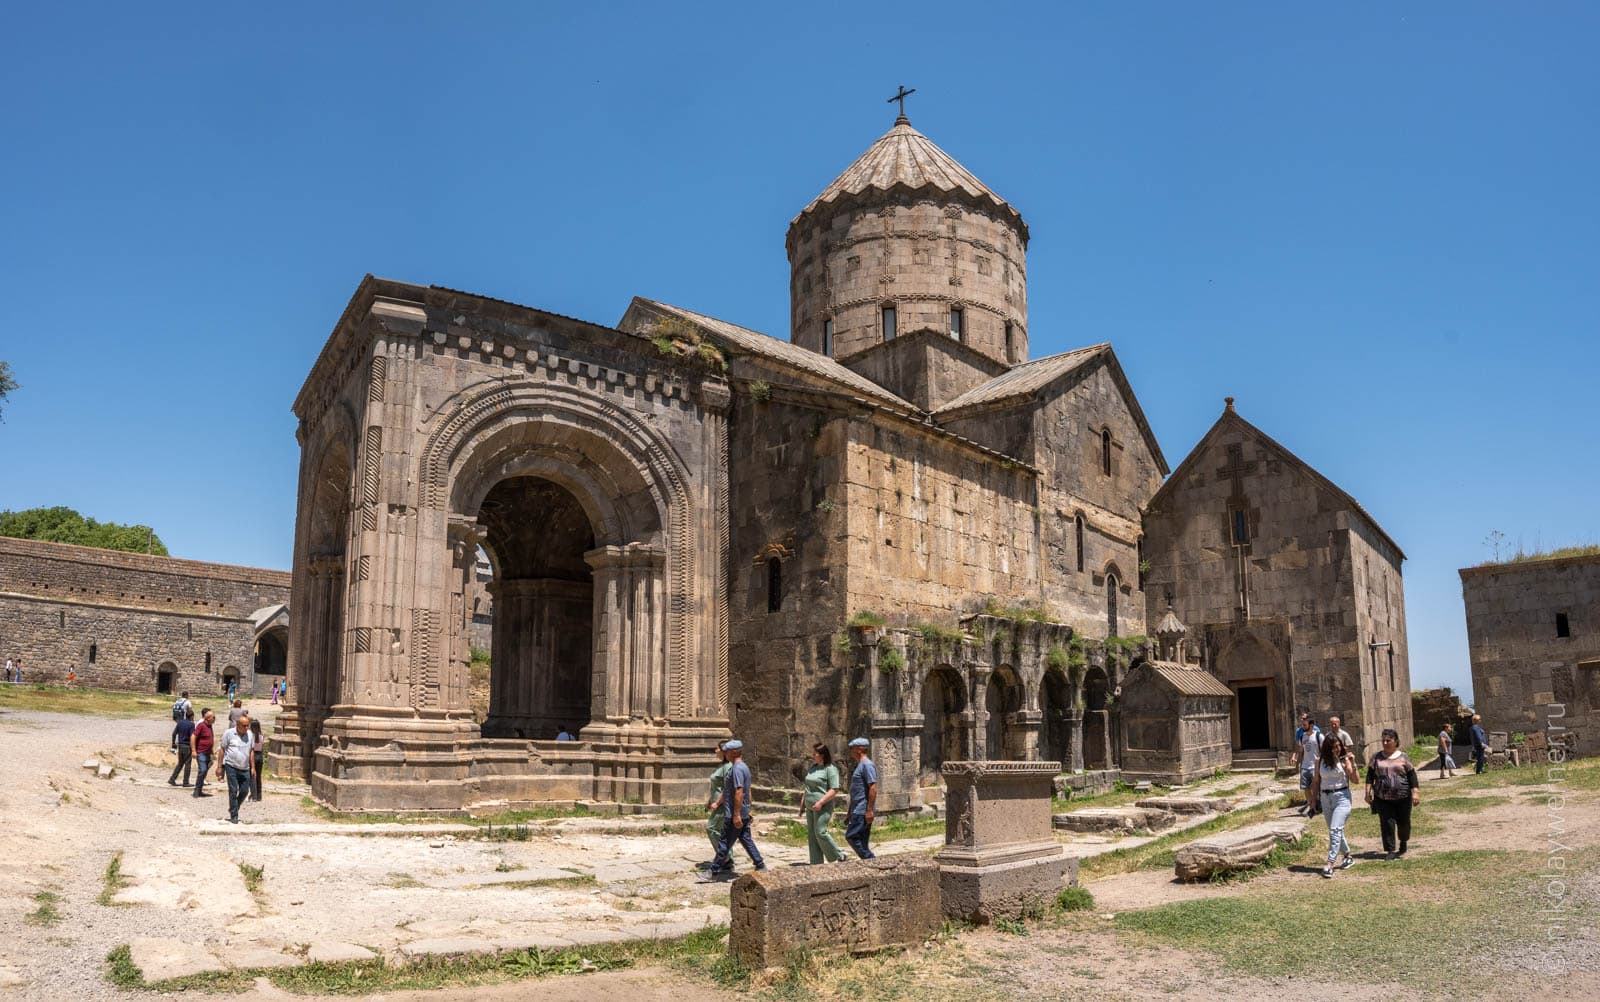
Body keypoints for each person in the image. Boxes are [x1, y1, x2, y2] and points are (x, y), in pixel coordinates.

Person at [703, 739, 765, 878]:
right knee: (745, 839)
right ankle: (760, 865)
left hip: (734, 813)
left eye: (726, 751)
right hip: (742, 811)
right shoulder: (744, 767)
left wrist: (736, 814)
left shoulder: (736, 769)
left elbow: (739, 791)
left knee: (724, 842)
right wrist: (747, 810)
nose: (725, 753)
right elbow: (744, 791)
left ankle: (713, 871)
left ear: (732, 752)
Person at [1309, 732, 1359, 877]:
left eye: (1338, 746)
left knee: (1335, 830)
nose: (1337, 749)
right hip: (1325, 797)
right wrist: (1313, 800)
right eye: (1333, 747)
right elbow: (1316, 781)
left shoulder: (1343, 760)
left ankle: (1330, 863)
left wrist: (1352, 764)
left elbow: (1355, 780)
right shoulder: (1320, 760)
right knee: (1335, 830)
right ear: (1327, 748)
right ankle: (1348, 856)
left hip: (1342, 797)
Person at [1365, 728, 1420, 858]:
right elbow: (1370, 776)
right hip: (1382, 797)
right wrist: (1367, 792)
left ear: (1395, 741)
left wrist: (1415, 793)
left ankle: (1403, 842)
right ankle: (1390, 850)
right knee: (1387, 823)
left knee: (1403, 823)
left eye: (1388, 740)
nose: (1385, 743)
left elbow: (1412, 776)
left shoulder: (1403, 757)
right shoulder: (1376, 757)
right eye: (1383, 740)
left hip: (1403, 796)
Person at [800, 743, 845, 864]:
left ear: (822, 755)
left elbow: (834, 789)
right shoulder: (813, 768)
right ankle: (816, 862)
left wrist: (820, 802)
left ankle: (839, 855)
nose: (812, 755)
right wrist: (802, 804)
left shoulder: (830, 769)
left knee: (820, 832)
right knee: (812, 835)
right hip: (810, 806)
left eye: (815, 753)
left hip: (823, 806)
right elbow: (807, 787)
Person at [217, 712, 256, 823]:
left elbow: (251, 751)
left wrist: (253, 767)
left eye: (247, 725)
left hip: (245, 767)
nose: (246, 727)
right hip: (231, 766)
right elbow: (222, 750)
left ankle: (234, 806)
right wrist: (220, 767)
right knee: (233, 790)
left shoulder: (250, 734)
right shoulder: (229, 733)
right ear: (237, 725)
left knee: (244, 791)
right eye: (244, 725)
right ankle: (234, 815)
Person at [845, 737, 878, 859]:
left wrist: (869, 810)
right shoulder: (861, 765)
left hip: (862, 809)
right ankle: (869, 863)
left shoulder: (867, 765)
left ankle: (870, 859)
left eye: (852, 749)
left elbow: (873, 788)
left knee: (852, 836)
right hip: (857, 809)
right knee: (862, 842)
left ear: (859, 749)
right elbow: (856, 791)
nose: (851, 751)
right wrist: (849, 812)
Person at [700, 742, 731, 868]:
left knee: (711, 828)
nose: (715, 750)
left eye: (718, 748)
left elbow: (727, 788)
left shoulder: (728, 767)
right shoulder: (721, 766)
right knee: (722, 832)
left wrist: (718, 802)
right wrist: (709, 800)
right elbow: (716, 787)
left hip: (722, 804)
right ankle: (728, 860)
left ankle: (725, 856)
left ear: (724, 751)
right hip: (716, 803)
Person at [1297, 717, 1323, 817]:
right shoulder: (1302, 736)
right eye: (1302, 725)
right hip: (1305, 765)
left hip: (1314, 766)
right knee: (1305, 787)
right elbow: (1301, 750)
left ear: (1311, 725)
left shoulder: (1319, 736)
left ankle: (1317, 806)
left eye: (1305, 725)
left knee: (1315, 788)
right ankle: (1310, 805)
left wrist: (1319, 761)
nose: (1302, 727)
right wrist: (1297, 763)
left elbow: (1323, 750)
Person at [192, 708, 217, 797]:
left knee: (205, 770)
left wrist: (211, 750)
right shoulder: (201, 725)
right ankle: (196, 790)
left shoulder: (210, 726)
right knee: (202, 770)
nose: (215, 718)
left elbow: (208, 739)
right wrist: (194, 750)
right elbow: (193, 736)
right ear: (208, 718)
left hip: (207, 752)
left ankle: (199, 790)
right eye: (213, 717)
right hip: (201, 752)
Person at [169, 708, 197, 787]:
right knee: (187, 764)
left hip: (180, 745)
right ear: (192, 716)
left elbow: (174, 734)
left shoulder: (180, 723)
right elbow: (192, 736)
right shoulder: (191, 725)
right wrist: (194, 747)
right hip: (187, 746)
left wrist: (173, 743)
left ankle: (172, 779)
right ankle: (185, 782)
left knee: (180, 763)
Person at [248, 718, 266, 802]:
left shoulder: (250, 735)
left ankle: (254, 795)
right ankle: (259, 796)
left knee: (252, 776)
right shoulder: (261, 735)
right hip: (260, 756)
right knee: (258, 777)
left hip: (253, 755)